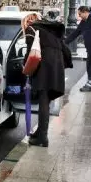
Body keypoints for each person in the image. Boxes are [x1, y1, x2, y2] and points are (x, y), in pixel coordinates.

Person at [22, 12, 69, 147]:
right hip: (56, 66)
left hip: (45, 67)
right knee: (46, 101)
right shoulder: (51, 29)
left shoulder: (31, 29)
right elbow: (65, 50)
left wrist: (25, 67)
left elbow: (31, 51)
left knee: (43, 100)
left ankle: (43, 138)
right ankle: (40, 132)